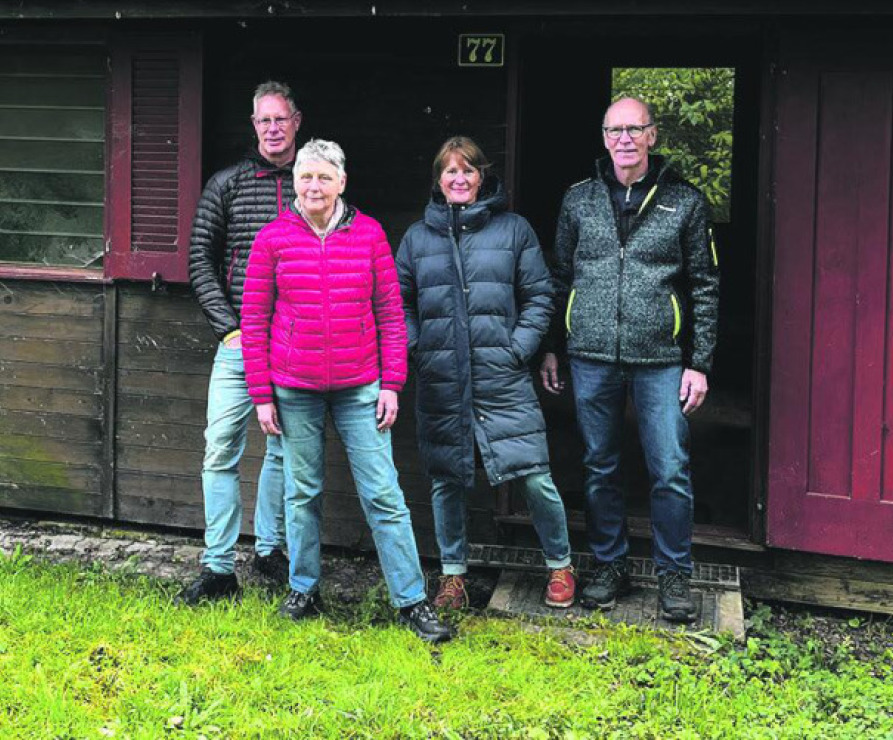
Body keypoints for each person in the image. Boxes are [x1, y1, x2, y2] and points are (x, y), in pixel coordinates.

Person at [240, 138, 454, 644]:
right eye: (305, 177)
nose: (313, 186)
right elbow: (254, 320)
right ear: (295, 183)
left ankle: (411, 601)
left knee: (383, 494)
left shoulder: (370, 235)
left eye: (323, 177)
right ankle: (304, 589)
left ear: (341, 182)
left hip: (362, 386)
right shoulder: (273, 238)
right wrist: (262, 394)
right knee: (302, 493)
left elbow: (390, 315)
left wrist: (393, 383)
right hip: (294, 389)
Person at [540, 97, 719, 623]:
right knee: (600, 466)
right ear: (603, 138)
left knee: (670, 468)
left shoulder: (684, 203)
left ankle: (673, 574)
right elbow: (559, 276)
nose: (624, 139)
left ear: (652, 136)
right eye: (615, 130)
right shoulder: (578, 200)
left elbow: (705, 284)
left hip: (661, 358)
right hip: (591, 354)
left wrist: (699, 360)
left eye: (634, 129)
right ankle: (609, 564)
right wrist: (553, 344)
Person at [396, 136, 575, 612]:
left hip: (502, 376)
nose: (459, 179)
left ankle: (560, 563)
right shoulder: (417, 238)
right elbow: (400, 303)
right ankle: (453, 576)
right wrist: (419, 347)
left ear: (482, 177)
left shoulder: (513, 230)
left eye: (468, 171)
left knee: (534, 476)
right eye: (450, 171)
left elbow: (540, 296)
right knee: (446, 480)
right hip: (442, 379)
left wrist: (518, 348)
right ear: (438, 179)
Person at [177, 81, 300, 605]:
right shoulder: (227, 184)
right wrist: (228, 326)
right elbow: (200, 259)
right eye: (263, 121)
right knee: (220, 450)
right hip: (238, 342)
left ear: (297, 121)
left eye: (281, 118)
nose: (272, 128)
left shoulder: (315, 183)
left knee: (284, 450)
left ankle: (271, 550)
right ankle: (219, 567)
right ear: (254, 127)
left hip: (294, 344)